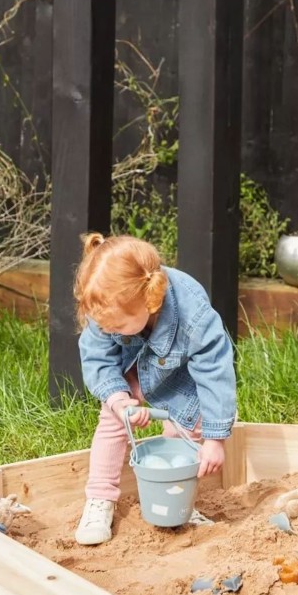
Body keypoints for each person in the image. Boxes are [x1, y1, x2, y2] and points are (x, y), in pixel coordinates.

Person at [73, 232, 237, 545]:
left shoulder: (194, 313)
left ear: (150, 301)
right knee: (111, 421)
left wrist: (216, 439)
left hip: (180, 378)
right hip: (131, 369)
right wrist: (120, 401)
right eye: (104, 326)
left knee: (187, 432)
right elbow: (97, 358)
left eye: (117, 327)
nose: (109, 330)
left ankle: (179, 504)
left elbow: (215, 372)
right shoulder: (104, 304)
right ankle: (100, 499)